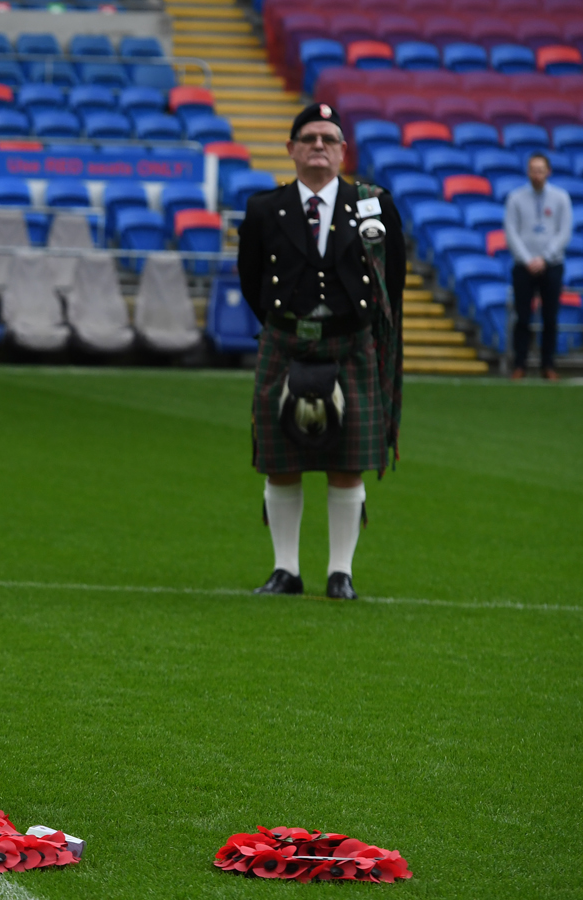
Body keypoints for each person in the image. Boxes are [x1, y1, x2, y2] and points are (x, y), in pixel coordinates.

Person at [237, 103, 404, 601]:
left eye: (328, 140)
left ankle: (340, 573)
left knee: (346, 463)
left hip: (351, 343)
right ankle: (285, 570)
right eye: (308, 138)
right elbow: (250, 281)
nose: (318, 147)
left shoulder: (374, 204)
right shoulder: (265, 209)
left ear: (342, 152)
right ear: (290, 149)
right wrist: (284, 323)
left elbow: (390, 280)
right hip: (285, 342)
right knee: (280, 462)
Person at [503, 154, 571, 382]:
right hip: (523, 266)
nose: (537, 174)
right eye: (533, 169)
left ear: (548, 171)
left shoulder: (561, 198)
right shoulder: (515, 198)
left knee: (550, 318)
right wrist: (527, 259)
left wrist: (545, 258)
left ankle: (548, 365)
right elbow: (511, 231)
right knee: (522, 317)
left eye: (540, 169)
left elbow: (564, 232)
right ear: (527, 171)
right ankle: (519, 365)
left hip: (552, 266)